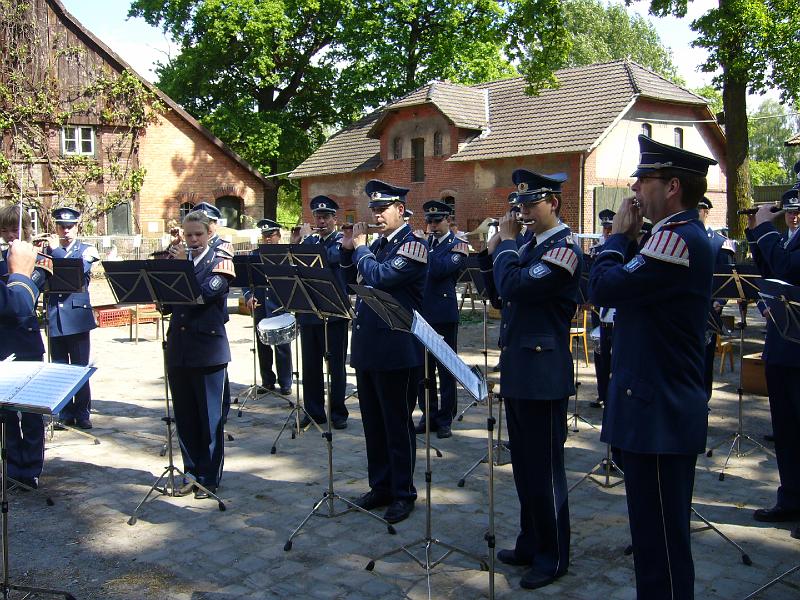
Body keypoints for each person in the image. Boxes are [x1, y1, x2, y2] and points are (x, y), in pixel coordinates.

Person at [588, 135, 716, 599]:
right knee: (650, 537)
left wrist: (617, 238)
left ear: (674, 186)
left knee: (660, 542)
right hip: (648, 405)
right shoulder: (668, 236)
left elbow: (603, 288)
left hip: (659, 410)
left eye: (645, 179)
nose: (635, 189)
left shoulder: (676, 239)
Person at [479, 169, 582, 590]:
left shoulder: (564, 248)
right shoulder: (526, 244)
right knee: (523, 467)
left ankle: (553, 553)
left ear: (553, 203)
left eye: (530, 204)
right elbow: (497, 293)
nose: (521, 212)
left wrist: (503, 247)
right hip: (520, 368)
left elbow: (517, 288)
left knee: (545, 470)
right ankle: (529, 541)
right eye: (518, 205)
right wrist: (492, 252)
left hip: (543, 372)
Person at [340, 179, 428, 525]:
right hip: (368, 347)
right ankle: (380, 486)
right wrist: (349, 250)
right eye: (373, 209)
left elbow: (378, 278)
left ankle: (403, 492)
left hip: (397, 350)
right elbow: (351, 280)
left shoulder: (413, 246)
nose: (376, 215)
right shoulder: (375, 246)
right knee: (374, 425)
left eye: (382, 209)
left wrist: (360, 250)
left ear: (400, 210)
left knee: (396, 424)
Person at [164, 210, 234, 499]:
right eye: (188, 235)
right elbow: (167, 305)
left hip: (208, 350)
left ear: (208, 235)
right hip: (179, 349)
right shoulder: (177, 262)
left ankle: (209, 477)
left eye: (198, 235)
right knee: (185, 417)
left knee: (209, 417)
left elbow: (203, 295)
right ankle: (190, 471)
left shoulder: (221, 262)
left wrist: (182, 270)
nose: (192, 240)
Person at [747, 184, 800, 523]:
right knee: (786, 428)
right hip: (782, 345)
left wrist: (766, 227)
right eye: (791, 208)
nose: (793, 214)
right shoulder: (789, 238)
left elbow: (788, 270)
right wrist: (756, 235)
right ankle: (791, 497)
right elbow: (770, 275)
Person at [0, 207, 52, 488]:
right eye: (5, 230)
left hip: (26, 342)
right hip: (2, 344)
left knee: (31, 412)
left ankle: (30, 469)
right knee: (6, 413)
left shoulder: (38, 260)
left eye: (16, 230)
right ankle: (11, 468)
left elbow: (24, 299)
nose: (10, 235)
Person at [290, 197, 349, 429]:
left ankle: (338, 413)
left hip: (334, 312)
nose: (321, 221)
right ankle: (314, 411)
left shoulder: (340, 241)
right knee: (310, 365)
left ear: (335, 219)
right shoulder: (309, 241)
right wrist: (295, 244)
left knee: (336, 366)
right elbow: (294, 265)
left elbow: (327, 260)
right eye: (317, 217)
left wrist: (305, 243)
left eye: (326, 217)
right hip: (309, 311)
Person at [415, 200, 467, 439]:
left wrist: (424, 248)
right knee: (423, 371)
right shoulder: (426, 245)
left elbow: (439, 270)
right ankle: (429, 414)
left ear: (449, 221)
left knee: (446, 370)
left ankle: (445, 418)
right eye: (429, 221)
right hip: (422, 314)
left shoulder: (459, 246)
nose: (432, 225)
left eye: (437, 221)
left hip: (444, 315)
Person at [44, 207, 100, 429]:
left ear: (77, 227)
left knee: (79, 367)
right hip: (55, 315)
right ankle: (65, 411)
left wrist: (55, 251)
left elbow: (76, 271)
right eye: (61, 226)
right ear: (56, 227)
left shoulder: (87, 250)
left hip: (76, 316)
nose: (66, 231)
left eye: (70, 226)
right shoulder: (48, 251)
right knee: (59, 367)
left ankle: (82, 412)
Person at [245, 219, 293, 395]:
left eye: (271, 235)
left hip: (279, 305)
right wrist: (248, 296)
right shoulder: (254, 255)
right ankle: (267, 380)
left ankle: (286, 382)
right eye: (264, 236)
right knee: (262, 345)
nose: (267, 239)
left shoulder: (285, 255)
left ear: (278, 236)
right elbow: (246, 279)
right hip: (260, 305)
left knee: (282, 345)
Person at [697, 197, 735, 401]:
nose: (697, 213)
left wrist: (719, 303)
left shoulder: (719, 242)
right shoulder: (685, 237)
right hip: (686, 309)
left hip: (708, 310)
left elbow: (727, 279)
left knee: (704, 360)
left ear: (707, 212)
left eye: (700, 209)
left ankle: (704, 399)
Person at [588, 209, 615, 409]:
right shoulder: (596, 250)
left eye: (610, 228)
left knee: (616, 355)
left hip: (616, 310)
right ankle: (602, 393)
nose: (606, 232)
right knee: (600, 352)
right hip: (599, 309)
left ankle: (614, 394)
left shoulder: (620, 251)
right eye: (605, 228)